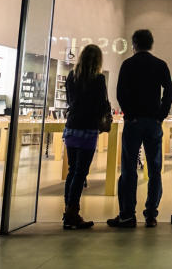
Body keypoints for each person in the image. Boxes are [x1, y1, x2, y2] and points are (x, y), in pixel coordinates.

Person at [108, 29, 172, 229]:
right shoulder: (160, 65)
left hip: (134, 123)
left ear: (134, 44)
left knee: (129, 168)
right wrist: (160, 116)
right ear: (151, 44)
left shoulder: (128, 65)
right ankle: (151, 214)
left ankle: (127, 214)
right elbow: (169, 92)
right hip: (153, 123)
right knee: (154, 169)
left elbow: (120, 93)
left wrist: (130, 114)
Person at [62, 44, 111, 230]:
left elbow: (69, 101)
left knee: (72, 170)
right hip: (88, 129)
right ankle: (72, 214)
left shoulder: (71, 77)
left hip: (72, 127)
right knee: (81, 172)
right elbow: (101, 105)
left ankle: (68, 211)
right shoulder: (98, 79)